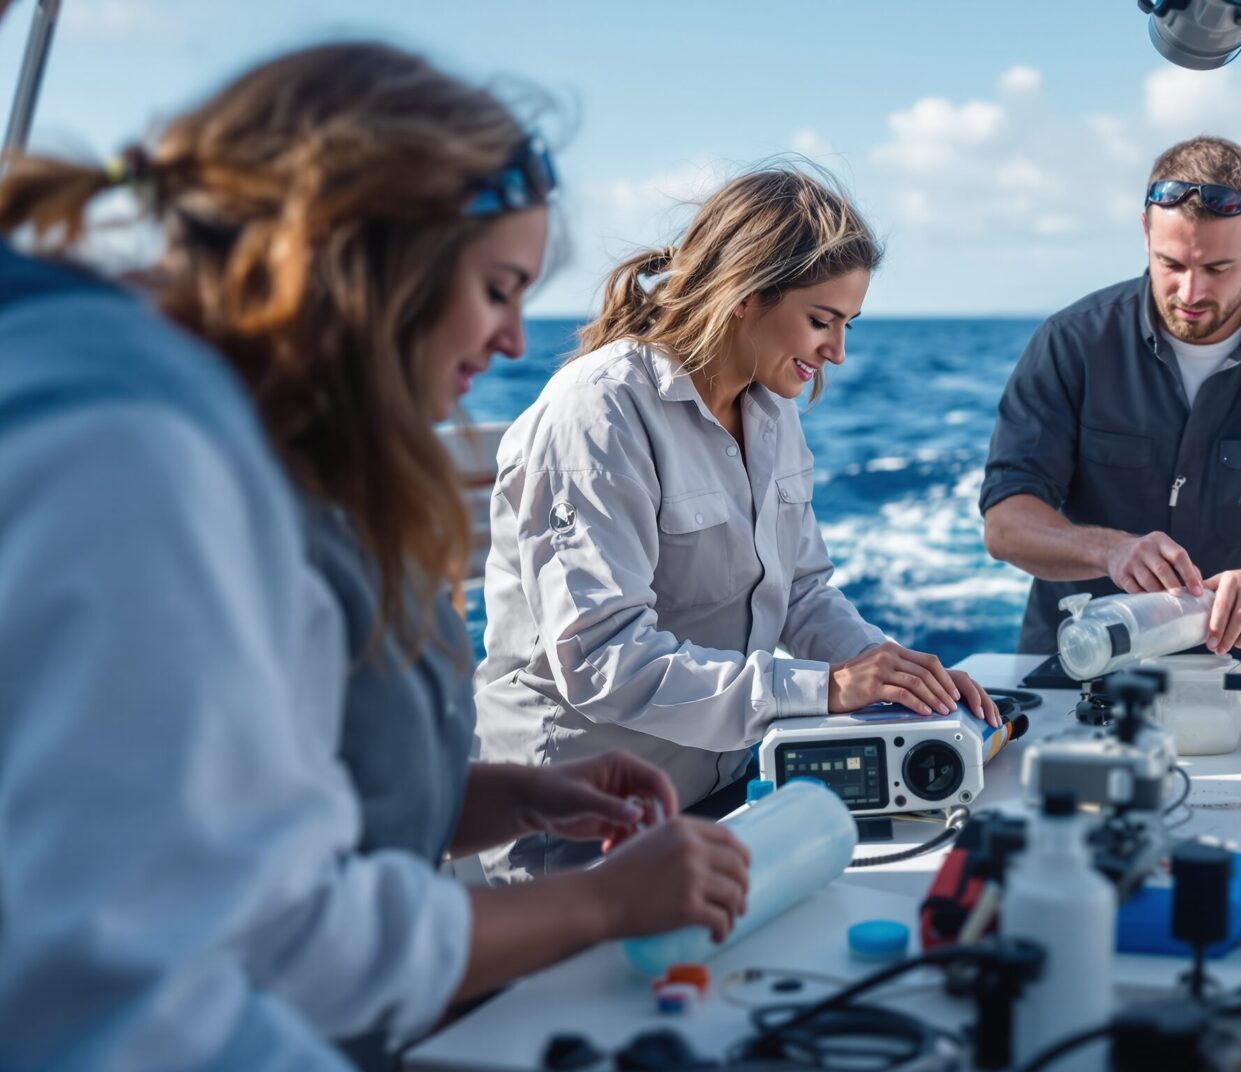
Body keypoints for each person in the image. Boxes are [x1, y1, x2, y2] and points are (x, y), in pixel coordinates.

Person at [0, 41, 747, 1070]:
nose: (515, 340)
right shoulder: (137, 458)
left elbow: (261, 807)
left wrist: (512, 796)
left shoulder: (287, 452)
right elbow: (252, 942)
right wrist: (605, 903)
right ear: (368, 258)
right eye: (498, 287)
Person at [475, 166, 1000, 881]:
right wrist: (824, 690)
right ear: (745, 295)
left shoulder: (771, 408)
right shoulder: (598, 412)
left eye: (847, 325)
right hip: (573, 832)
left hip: (719, 793)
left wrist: (897, 676)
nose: (838, 353)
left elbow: (802, 592)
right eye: (821, 321)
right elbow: (601, 659)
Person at [980, 135, 1241, 661]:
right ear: (1145, 233)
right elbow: (1006, 524)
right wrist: (1110, 550)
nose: (1191, 293)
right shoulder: (1069, 342)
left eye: (1217, 269)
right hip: (1079, 670)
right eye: (1171, 264)